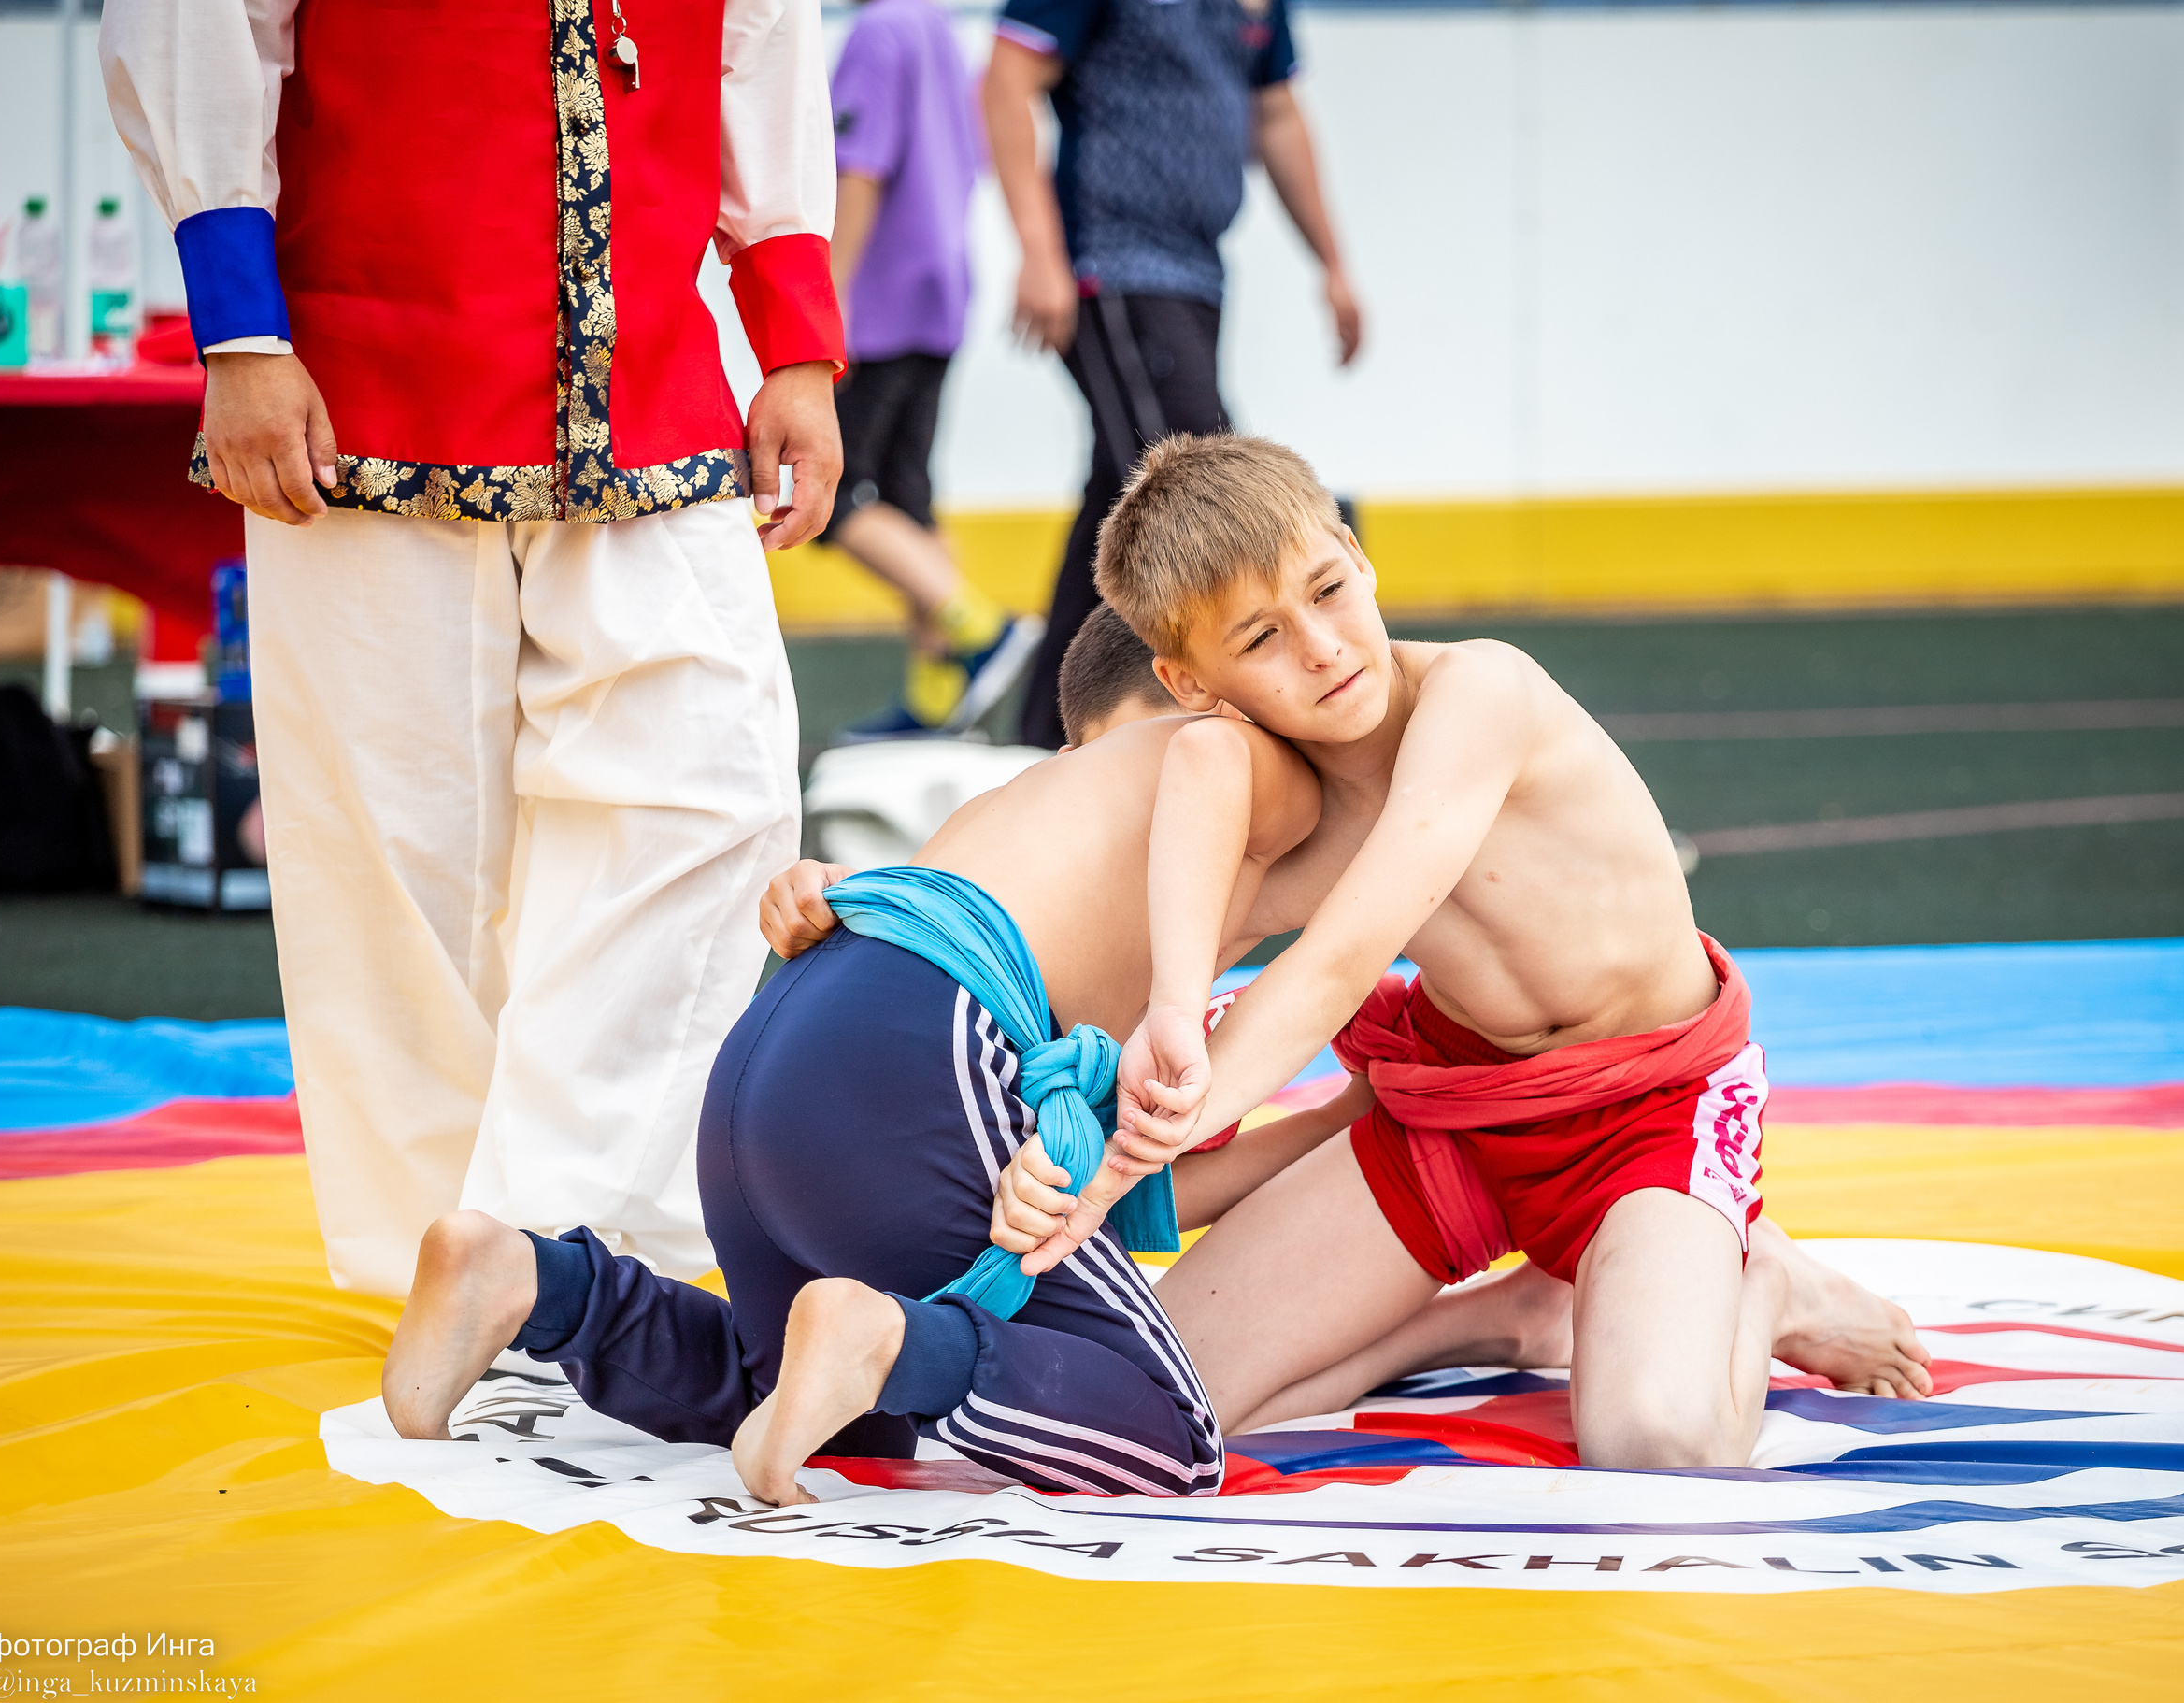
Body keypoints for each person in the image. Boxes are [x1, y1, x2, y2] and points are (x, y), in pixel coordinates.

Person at [991, 435, 1934, 1467]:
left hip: (1650, 1111)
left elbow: (1339, 962)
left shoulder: (1482, 693)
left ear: (1359, 556)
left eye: (1328, 589)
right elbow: (1100, 987)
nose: (1322, 647)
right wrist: (1047, 1138)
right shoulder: (1273, 805)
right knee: (1157, 1405)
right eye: (1262, 638)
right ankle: (1500, 1318)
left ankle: (1769, 1279)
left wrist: (1133, 1149)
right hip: (1460, 1113)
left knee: (1660, 1442)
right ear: (1190, 681)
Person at [99, 0, 846, 1296]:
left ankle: (582, 1251)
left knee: (712, 796)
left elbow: (761, 38)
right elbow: (200, 24)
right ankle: (433, 1259)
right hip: (363, 387)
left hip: (652, 386)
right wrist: (241, 330)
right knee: (401, 860)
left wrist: (795, 342)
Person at [380, 648, 1329, 1503]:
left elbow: (1119, 1190)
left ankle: (535, 1282)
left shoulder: (1025, 815)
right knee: (1174, 1436)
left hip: (784, 1041)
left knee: (831, 1422)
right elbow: (1223, 776)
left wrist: (1337, 1118)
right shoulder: (1218, 763)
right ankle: (883, 1338)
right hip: (914, 1043)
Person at [981, 0, 1363, 750]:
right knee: (1205, 498)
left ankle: (1043, 741)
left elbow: (1277, 115)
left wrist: (1333, 264)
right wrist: (1040, 252)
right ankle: (1263, 719)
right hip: (1114, 266)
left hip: (1198, 275)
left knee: (1120, 498)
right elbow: (1006, 79)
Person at [824, 0, 1044, 740]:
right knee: (908, 498)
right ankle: (936, 694)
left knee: (832, 496)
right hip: (938, 293)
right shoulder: (939, 31)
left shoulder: (878, 31)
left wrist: (832, 293)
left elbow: (861, 169)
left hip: (880, 300)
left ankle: (978, 627)